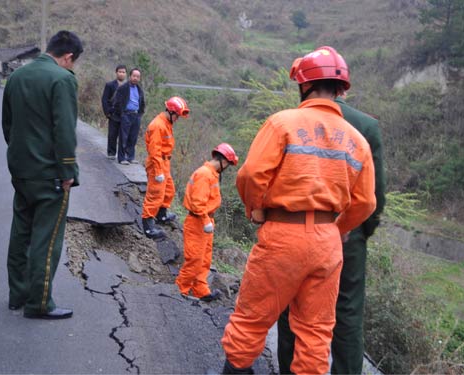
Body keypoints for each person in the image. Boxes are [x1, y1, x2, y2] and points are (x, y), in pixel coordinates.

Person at [220, 46, 376, 374]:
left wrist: (255, 209)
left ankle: (236, 370)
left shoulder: (283, 123)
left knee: (254, 315)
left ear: (304, 85)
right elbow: (366, 203)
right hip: (327, 244)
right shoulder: (358, 141)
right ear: (340, 90)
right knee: (316, 332)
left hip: (283, 236)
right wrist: (338, 227)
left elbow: (250, 175)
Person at [277, 92, 387, 374]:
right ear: (344, 88)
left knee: (293, 304)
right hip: (349, 234)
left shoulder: (296, 119)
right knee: (347, 312)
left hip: (300, 226)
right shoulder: (366, 126)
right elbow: (375, 196)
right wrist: (357, 231)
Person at [1, 30, 83, 320]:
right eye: (73, 62)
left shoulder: (17, 77)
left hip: (21, 171)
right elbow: (64, 131)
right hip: (50, 175)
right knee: (46, 241)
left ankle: (18, 296)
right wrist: (67, 171)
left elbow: (8, 125)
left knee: (21, 233)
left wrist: (23, 158)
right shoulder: (62, 80)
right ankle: (39, 304)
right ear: (69, 56)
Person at [175, 143, 239, 302]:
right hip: (198, 221)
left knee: (204, 260)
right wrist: (205, 220)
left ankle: (200, 290)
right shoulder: (205, 174)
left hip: (205, 221)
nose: (227, 168)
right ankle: (180, 290)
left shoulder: (211, 174)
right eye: (228, 164)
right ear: (223, 161)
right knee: (195, 259)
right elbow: (197, 202)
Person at [141, 96, 190, 239]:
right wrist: (157, 171)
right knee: (155, 194)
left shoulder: (166, 123)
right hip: (157, 163)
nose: (178, 119)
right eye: (177, 116)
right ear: (171, 111)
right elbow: (154, 151)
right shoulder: (158, 125)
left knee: (169, 190)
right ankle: (148, 226)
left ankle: (161, 215)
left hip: (164, 163)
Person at [112, 67, 145, 165]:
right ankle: (122, 158)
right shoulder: (123, 88)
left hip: (136, 115)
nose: (135, 78)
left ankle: (130, 157)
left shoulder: (139, 89)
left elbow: (142, 102)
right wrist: (121, 114)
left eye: (138, 77)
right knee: (123, 137)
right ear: (130, 76)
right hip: (126, 115)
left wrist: (140, 113)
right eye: (134, 76)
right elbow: (117, 102)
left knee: (133, 137)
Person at [101, 64, 127, 159]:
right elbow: (104, 99)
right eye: (119, 72)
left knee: (124, 136)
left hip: (125, 115)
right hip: (113, 114)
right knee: (112, 134)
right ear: (116, 73)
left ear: (126, 74)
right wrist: (107, 112)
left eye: (123, 72)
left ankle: (122, 154)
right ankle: (111, 153)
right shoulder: (110, 85)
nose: (121, 74)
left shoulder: (128, 86)